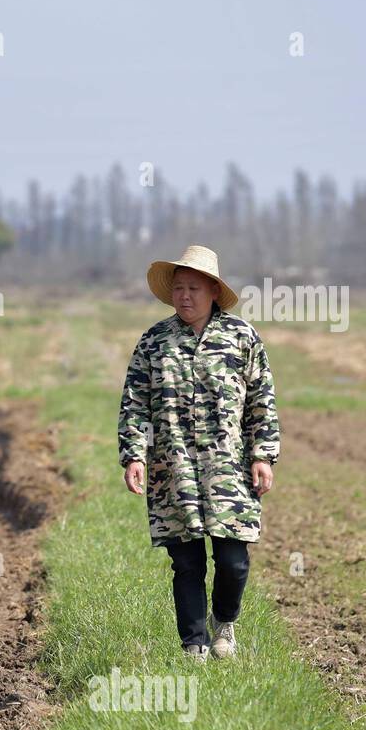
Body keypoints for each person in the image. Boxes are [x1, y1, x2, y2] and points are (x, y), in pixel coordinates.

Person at [117, 245, 281, 661]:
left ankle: (224, 622)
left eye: (192, 287)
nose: (184, 296)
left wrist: (263, 455)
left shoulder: (242, 338)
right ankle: (194, 645)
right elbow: (135, 402)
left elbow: (261, 400)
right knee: (187, 562)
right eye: (178, 289)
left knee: (233, 558)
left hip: (229, 469)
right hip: (173, 471)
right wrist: (134, 455)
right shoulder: (154, 342)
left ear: (212, 290)